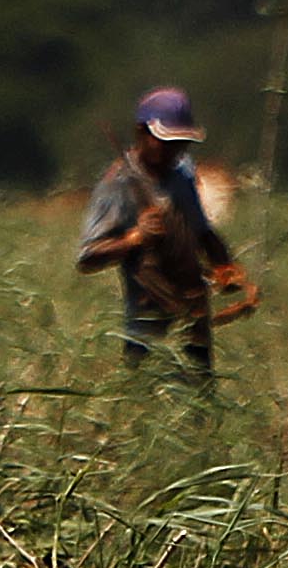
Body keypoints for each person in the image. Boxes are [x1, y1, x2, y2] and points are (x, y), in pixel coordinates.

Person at [76, 87, 247, 383]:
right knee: (143, 411)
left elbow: (202, 231)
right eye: (166, 142)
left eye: (181, 144)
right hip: (146, 329)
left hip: (192, 323)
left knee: (200, 413)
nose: (175, 152)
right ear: (142, 133)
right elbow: (88, 258)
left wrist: (226, 268)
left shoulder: (183, 174)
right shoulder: (118, 184)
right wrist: (134, 238)